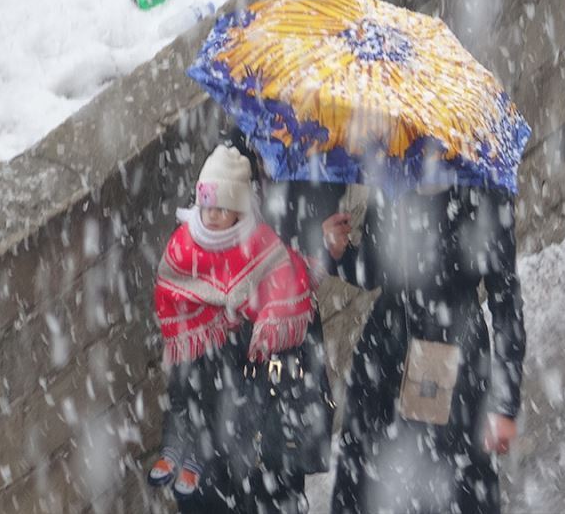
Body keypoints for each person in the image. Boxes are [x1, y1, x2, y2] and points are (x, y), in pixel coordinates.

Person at [325, 183, 526, 514]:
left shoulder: (481, 186)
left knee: (446, 487)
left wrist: (504, 402)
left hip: (450, 353)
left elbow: (505, 300)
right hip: (384, 356)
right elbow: (374, 269)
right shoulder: (393, 180)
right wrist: (339, 253)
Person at [148, 143, 317, 513]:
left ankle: (212, 459)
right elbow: (173, 286)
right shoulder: (187, 242)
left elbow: (283, 280)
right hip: (205, 355)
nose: (210, 215)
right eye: (206, 205)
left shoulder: (261, 244)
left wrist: (249, 318)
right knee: (188, 387)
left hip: (252, 367)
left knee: (246, 442)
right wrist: (210, 317)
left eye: (221, 208)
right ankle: (186, 446)